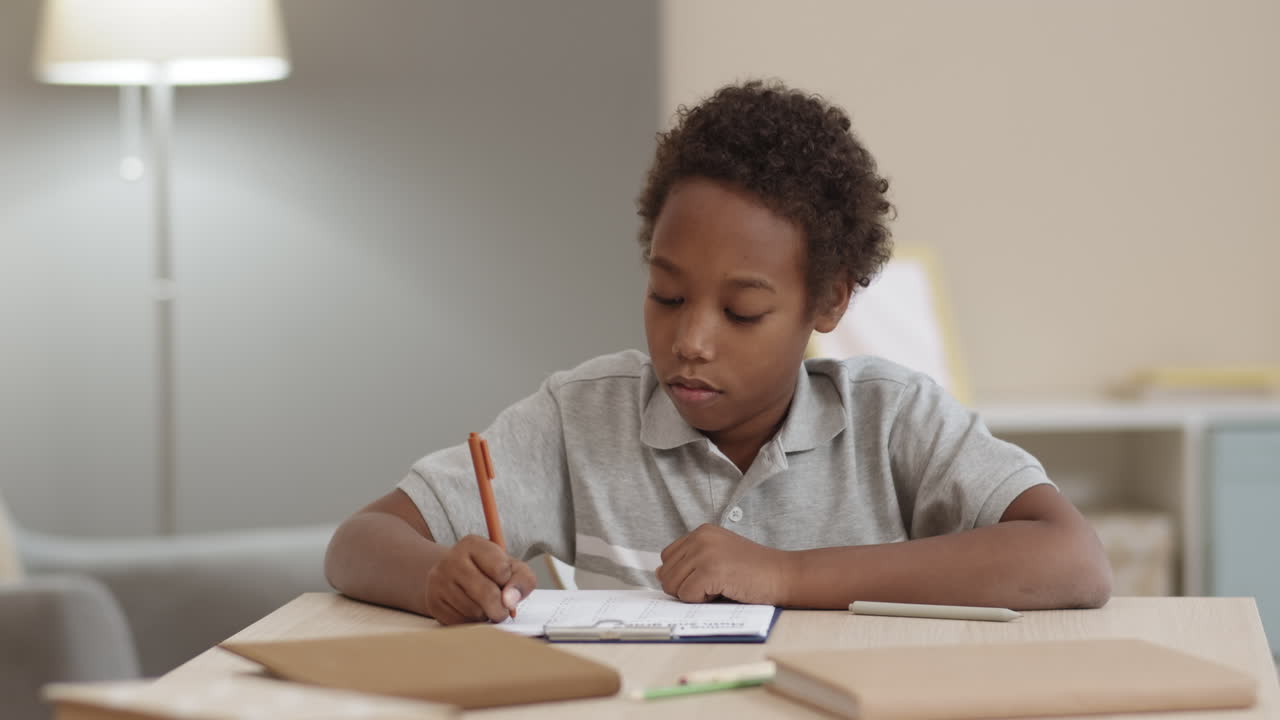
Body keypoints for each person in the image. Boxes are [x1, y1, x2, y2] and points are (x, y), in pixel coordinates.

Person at [324, 80, 1112, 625]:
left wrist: (787, 575)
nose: (690, 341)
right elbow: (357, 543)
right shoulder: (581, 418)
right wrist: (436, 577)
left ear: (829, 301)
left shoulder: (890, 419)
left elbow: (1073, 560)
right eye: (667, 296)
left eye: (742, 311)